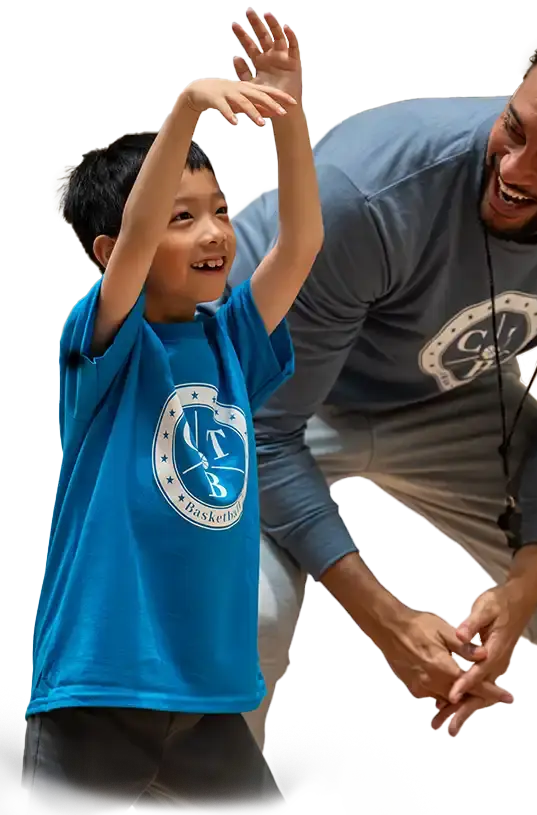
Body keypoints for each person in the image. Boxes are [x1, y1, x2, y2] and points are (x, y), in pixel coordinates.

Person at [200, 16, 537, 815]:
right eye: (513, 128)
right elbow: (264, 430)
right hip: (252, 395)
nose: (514, 168)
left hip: (434, 392)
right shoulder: (364, 193)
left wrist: (530, 578)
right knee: (244, 615)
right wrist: (388, 619)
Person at [22, 10, 323, 815]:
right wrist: (187, 106)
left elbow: (298, 243)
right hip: (100, 685)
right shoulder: (107, 341)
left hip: (205, 700)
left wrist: (288, 111)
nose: (213, 232)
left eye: (219, 209)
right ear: (111, 251)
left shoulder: (232, 341)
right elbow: (133, 250)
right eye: (180, 218)